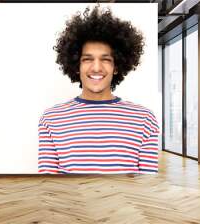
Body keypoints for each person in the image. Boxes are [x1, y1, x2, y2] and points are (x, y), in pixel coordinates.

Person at [38, 6, 159, 174]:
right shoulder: (51, 119)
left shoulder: (144, 119)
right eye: (87, 59)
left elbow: (149, 187)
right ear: (76, 66)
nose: (96, 68)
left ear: (116, 66)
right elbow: (48, 188)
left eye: (106, 59)